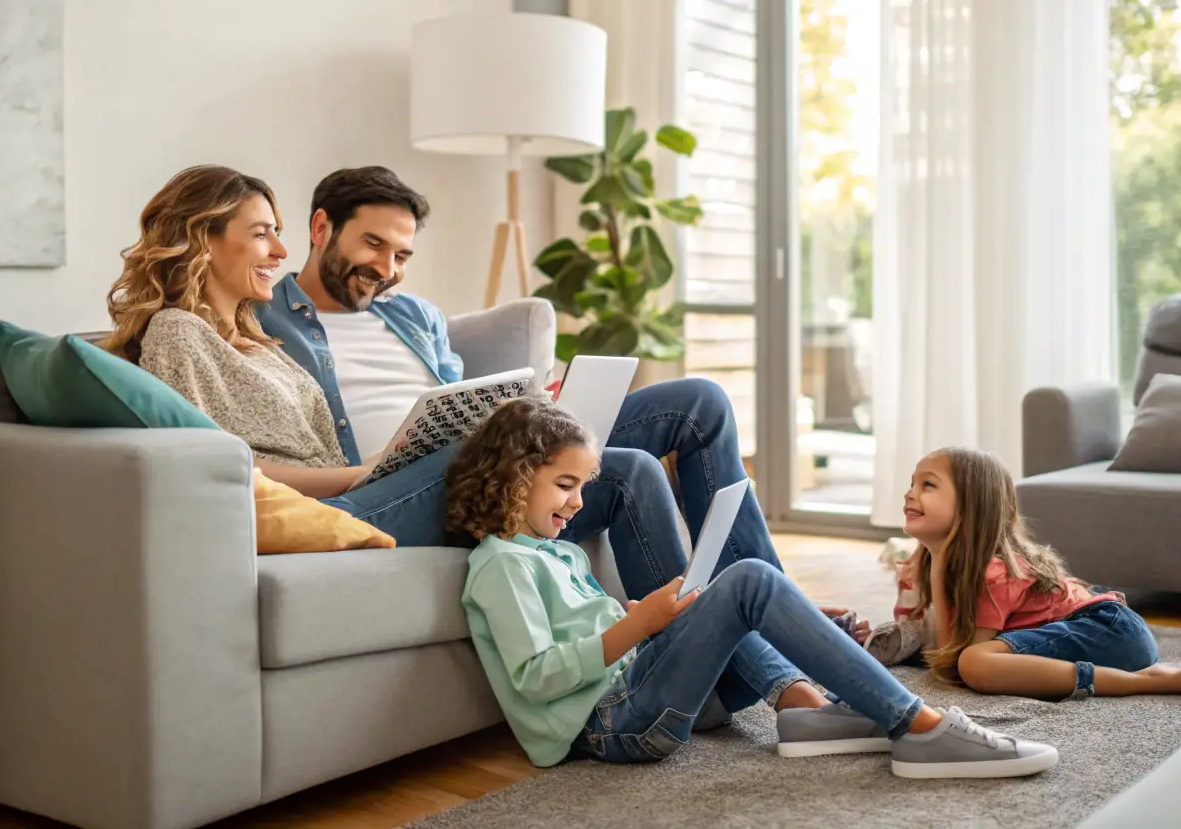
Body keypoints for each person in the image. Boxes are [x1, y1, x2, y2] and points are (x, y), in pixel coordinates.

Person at [256, 166, 868, 630]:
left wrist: (534, 404)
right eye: (373, 245)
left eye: (402, 255)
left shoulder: (416, 315)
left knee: (698, 402)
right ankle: (762, 627)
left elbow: (458, 397)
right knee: (624, 466)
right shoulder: (261, 320)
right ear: (321, 229)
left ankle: (772, 595)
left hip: (492, 457)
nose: (387, 268)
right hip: (409, 487)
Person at [449, 396, 1059, 777]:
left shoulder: (553, 553)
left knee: (733, 591)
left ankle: (833, 709)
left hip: (636, 692)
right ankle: (919, 726)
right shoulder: (501, 566)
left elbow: (591, 639)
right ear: (513, 476)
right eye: (565, 486)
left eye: (584, 487)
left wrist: (641, 623)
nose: (579, 503)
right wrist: (635, 627)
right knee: (748, 581)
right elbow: (537, 678)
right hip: (611, 726)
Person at [103, 166, 457, 518]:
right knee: (467, 457)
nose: (281, 250)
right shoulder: (177, 331)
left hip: (350, 500)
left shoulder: (256, 341)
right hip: (325, 510)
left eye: (276, 233)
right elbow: (204, 463)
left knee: (475, 454)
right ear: (203, 241)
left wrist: (381, 464)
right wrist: (360, 475)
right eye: (261, 234)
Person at [899, 446, 1181, 700]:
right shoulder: (920, 567)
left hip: (1109, 630)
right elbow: (929, 645)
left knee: (975, 663)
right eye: (912, 483)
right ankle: (1144, 676)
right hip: (1102, 635)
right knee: (972, 662)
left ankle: (1153, 682)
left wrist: (940, 562)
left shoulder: (995, 572)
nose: (909, 494)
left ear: (971, 504)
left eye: (927, 485)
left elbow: (953, 664)